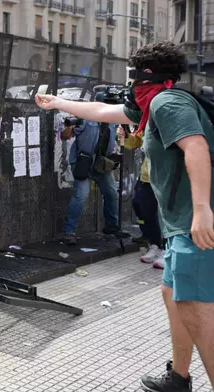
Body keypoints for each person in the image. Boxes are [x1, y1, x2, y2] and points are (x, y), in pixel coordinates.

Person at [35, 41, 214, 392]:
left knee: (194, 306)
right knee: (173, 295)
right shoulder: (151, 107)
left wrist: (202, 209)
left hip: (196, 222)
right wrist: (56, 102)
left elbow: (196, 147)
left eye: (132, 76)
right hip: (180, 224)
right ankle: (178, 377)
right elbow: (103, 110)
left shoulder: (167, 102)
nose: (129, 86)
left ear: (144, 75)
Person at [58, 116, 121, 245]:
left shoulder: (113, 119)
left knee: (112, 193)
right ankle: (69, 232)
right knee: (81, 195)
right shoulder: (86, 118)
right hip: (83, 162)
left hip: (102, 163)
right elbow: (65, 136)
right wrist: (71, 126)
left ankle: (111, 227)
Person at [117, 125, 165, 267]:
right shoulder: (147, 122)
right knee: (143, 207)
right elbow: (134, 142)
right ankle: (155, 244)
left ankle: (168, 249)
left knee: (168, 215)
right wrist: (124, 136)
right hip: (147, 176)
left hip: (170, 177)